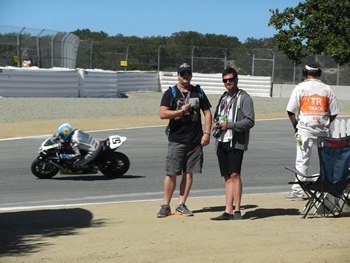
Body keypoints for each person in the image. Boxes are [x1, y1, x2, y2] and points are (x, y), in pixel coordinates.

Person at [157, 63, 212, 218]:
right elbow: (163, 114)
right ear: (178, 75)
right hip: (177, 139)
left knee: (189, 174)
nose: (185, 76)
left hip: (195, 140)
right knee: (172, 173)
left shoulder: (198, 91)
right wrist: (181, 111)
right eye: (182, 74)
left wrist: (207, 133)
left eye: (188, 73)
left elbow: (207, 113)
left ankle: (181, 205)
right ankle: (165, 206)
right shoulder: (171, 92)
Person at [284, 61, 340, 201]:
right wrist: (326, 123)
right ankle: (327, 188)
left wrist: (295, 126)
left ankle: (298, 192)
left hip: (305, 130)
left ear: (305, 72)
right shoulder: (327, 89)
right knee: (326, 161)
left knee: (302, 160)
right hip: (323, 130)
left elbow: (290, 110)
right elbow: (334, 113)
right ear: (319, 73)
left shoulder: (300, 88)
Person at [210, 67, 255, 221]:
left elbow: (250, 121)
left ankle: (237, 210)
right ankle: (227, 211)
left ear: (236, 80)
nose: (228, 82)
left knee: (235, 174)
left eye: (230, 79)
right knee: (227, 177)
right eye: (225, 80)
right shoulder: (223, 97)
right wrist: (217, 124)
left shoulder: (244, 97)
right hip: (221, 141)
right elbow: (218, 116)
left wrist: (228, 125)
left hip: (236, 141)